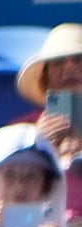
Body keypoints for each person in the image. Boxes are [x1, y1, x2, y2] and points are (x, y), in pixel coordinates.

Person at [21, 24, 82, 178]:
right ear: (45, 80)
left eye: (79, 59)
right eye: (58, 62)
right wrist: (38, 146)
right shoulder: (23, 131)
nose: (69, 68)